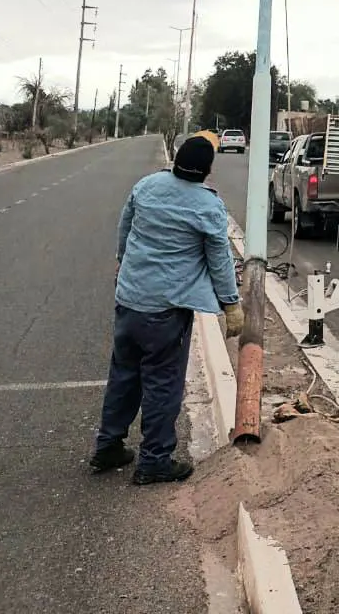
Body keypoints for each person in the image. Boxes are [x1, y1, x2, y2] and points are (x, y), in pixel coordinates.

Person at [89, 136, 244, 484]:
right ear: (207, 170)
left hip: (129, 300)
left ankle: (108, 445)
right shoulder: (207, 206)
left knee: (124, 375)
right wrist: (231, 304)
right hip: (166, 310)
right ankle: (154, 460)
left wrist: (123, 261)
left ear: (176, 161)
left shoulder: (147, 185)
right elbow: (219, 260)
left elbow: (124, 227)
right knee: (162, 383)